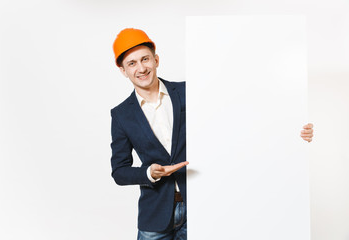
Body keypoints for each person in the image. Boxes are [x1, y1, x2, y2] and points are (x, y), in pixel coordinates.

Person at [110, 28, 314, 240]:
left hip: (203, 207)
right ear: (123, 70)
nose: (141, 68)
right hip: (155, 216)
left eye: (145, 59)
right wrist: (149, 172)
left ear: (156, 60)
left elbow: (239, 116)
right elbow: (119, 171)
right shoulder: (121, 115)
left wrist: (292, 130)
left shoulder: (190, 91)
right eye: (132, 63)